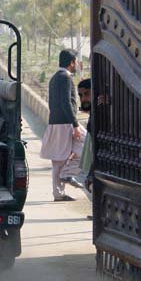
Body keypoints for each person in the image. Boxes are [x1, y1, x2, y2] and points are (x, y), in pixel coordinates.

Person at [40, 49, 85, 201]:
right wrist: (75, 124)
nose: (77, 64)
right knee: (86, 146)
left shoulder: (55, 78)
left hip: (57, 122)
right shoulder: (65, 78)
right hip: (65, 123)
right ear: (72, 62)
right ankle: (67, 175)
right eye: (76, 61)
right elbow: (66, 102)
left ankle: (59, 193)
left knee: (58, 160)